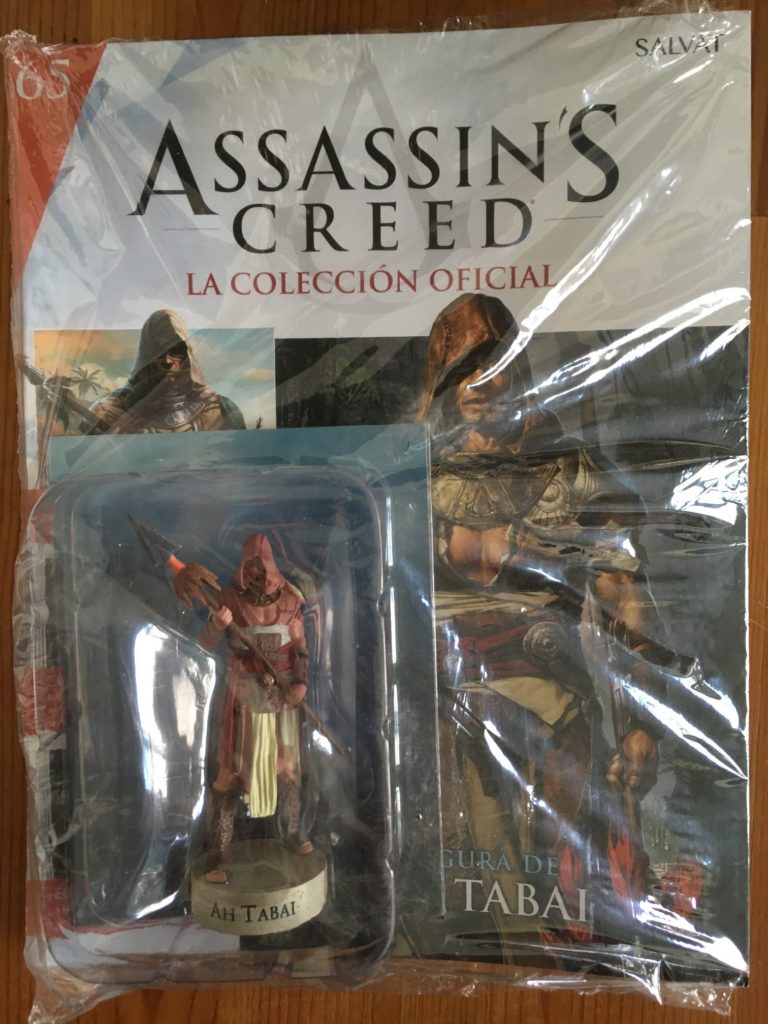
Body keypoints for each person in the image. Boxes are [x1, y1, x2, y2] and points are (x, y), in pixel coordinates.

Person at [420, 293, 671, 936]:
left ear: (520, 372)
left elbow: (625, 592)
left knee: (553, 882)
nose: (480, 383)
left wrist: (639, 720)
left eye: (495, 364)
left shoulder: (569, 471)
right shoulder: (413, 474)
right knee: (462, 883)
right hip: (440, 705)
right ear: (442, 377)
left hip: (553, 704)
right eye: (463, 367)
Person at [175, 533, 312, 884]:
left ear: (271, 566)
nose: (256, 574)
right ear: (242, 567)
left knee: (287, 768)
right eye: (250, 567)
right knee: (230, 773)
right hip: (242, 698)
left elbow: (300, 645)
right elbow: (204, 646)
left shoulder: (291, 601)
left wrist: (300, 682)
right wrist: (216, 626)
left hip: (281, 699)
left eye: (261, 567)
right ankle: (217, 855)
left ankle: (291, 834)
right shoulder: (227, 601)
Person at [88, 308, 245, 433]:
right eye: (159, 351)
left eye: (176, 350)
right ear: (146, 355)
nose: (168, 361)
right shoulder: (108, 411)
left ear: (188, 354)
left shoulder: (220, 409)